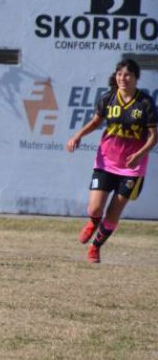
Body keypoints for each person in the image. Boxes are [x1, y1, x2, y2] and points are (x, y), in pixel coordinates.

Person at [66, 58, 157, 264]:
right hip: (106, 162)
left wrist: (139, 155)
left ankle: (95, 247)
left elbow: (154, 137)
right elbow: (96, 121)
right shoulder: (108, 98)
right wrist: (78, 135)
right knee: (96, 208)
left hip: (131, 169)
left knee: (114, 212)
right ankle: (93, 221)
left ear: (135, 78)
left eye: (127, 75)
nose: (123, 79)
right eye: (119, 74)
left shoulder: (145, 103)